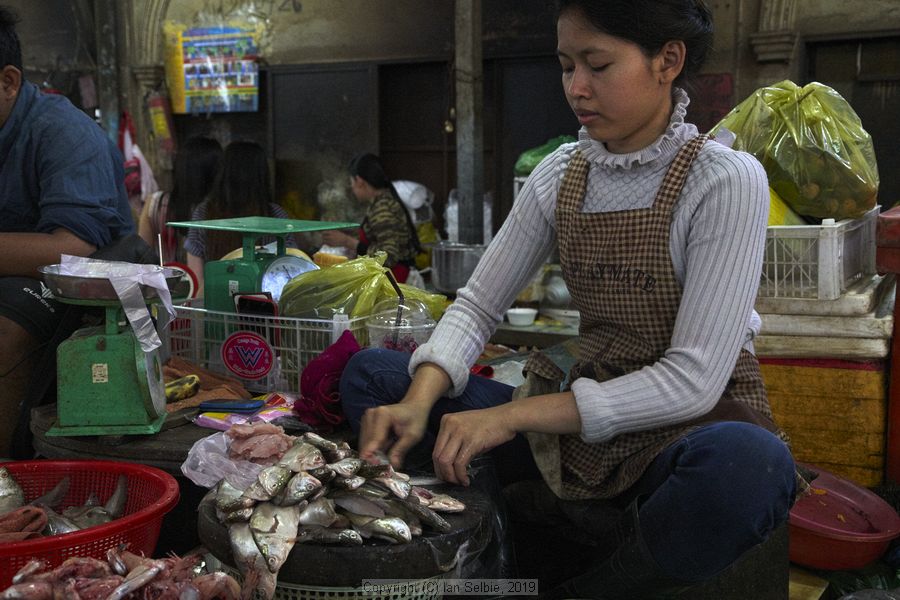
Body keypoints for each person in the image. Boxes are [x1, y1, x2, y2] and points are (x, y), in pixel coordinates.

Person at [339, 1, 797, 597]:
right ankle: (486, 548)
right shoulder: (560, 175)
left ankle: (591, 586)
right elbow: (477, 305)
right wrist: (419, 400)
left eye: (598, 65)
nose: (576, 88)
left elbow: (693, 379)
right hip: (579, 425)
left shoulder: (724, 179)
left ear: (668, 60)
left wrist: (507, 417)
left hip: (685, 427)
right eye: (565, 66)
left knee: (749, 468)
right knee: (374, 376)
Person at [0, 6, 136, 457]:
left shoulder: (64, 133)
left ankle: (10, 476)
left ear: (8, 82)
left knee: (4, 335)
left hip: (78, 288)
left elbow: (69, 247)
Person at [184, 140, 296, 296]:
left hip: (215, 306)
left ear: (223, 173)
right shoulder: (275, 215)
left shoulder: (204, 213)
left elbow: (195, 279)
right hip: (263, 309)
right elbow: (293, 268)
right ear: (261, 175)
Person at [320, 153, 421, 283]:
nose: (351, 188)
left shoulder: (382, 209)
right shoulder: (382, 201)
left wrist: (347, 241)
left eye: (351, 183)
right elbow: (376, 236)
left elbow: (389, 256)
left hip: (394, 280)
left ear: (359, 181)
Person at [137, 135, 223, 265]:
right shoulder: (215, 211)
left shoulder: (155, 203)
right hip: (205, 284)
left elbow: (141, 256)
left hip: (164, 283)